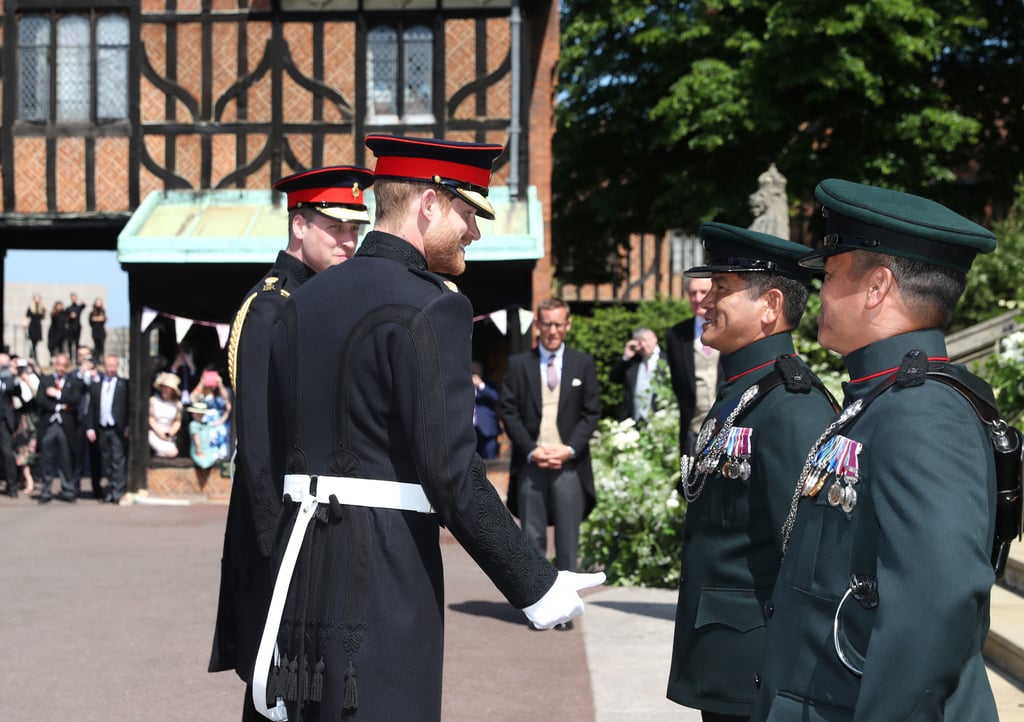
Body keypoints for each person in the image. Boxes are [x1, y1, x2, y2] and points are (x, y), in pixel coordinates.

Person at [253, 135, 603, 721]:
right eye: (468, 212)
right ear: (430, 204)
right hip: (381, 575)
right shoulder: (435, 305)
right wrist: (536, 584)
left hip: (298, 567)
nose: (475, 232)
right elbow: (452, 472)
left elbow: (263, 456)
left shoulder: (299, 302)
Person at [750, 180, 1001, 720]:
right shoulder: (877, 400)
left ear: (877, 286)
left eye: (831, 275)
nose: (818, 293)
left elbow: (937, 604)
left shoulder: (922, 413)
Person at [209, 164, 375, 692]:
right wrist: (274, 549)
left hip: (310, 518)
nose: (349, 240)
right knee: (276, 681)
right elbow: (259, 447)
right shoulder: (271, 308)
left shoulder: (318, 299)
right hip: (278, 521)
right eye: (336, 227)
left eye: (355, 229)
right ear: (299, 225)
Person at [665, 223, 838, 721]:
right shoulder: (743, 392)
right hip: (727, 660)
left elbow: (806, 555)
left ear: (771, 307)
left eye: (722, 289)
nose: (705, 301)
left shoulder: (791, 405)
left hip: (760, 671)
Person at [500, 297, 602, 599]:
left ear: (567, 325)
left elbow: (591, 413)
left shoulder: (583, 363)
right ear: (538, 326)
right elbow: (509, 411)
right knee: (532, 539)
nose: (552, 331)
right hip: (532, 463)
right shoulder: (519, 365)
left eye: (558, 324)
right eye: (547, 324)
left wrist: (569, 449)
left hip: (568, 465)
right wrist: (532, 449)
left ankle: (566, 604)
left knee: (568, 540)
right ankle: (539, 602)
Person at [666, 277, 722, 453]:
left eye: (703, 292)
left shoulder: (729, 329)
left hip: (727, 427)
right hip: (693, 429)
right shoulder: (676, 335)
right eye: (693, 293)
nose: (698, 298)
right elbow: (677, 381)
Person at [35, 352, 83, 503]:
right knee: (47, 458)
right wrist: (60, 406)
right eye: (59, 365)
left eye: (64, 365)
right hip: (49, 423)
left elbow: (75, 400)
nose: (61, 368)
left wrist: (57, 394)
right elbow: (41, 400)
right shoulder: (46, 380)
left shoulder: (73, 381)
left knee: (66, 458)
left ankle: (67, 489)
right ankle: (46, 489)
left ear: (67, 366)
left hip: (66, 426)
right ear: (55, 365)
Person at [85, 354, 129, 504]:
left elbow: (129, 407)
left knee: (118, 459)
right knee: (106, 461)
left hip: (117, 427)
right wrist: (90, 427)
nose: (111, 369)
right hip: (102, 427)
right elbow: (92, 407)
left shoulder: (124, 384)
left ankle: (118, 491)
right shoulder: (97, 384)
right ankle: (109, 491)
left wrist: (127, 426)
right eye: (108, 366)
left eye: (113, 366)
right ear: (104, 366)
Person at [609, 326, 667, 422]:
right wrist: (626, 357)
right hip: (634, 420)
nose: (643, 345)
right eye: (639, 342)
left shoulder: (668, 360)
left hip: (660, 420)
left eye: (644, 340)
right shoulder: (633, 362)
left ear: (654, 338)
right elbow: (614, 378)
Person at [190, 368, 232, 461]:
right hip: (206, 424)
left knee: (224, 447)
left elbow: (227, 399)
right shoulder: (201, 392)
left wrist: (220, 385)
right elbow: (192, 398)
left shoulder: (224, 390)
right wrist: (202, 383)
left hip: (222, 422)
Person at [12, 357, 40, 494]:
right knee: (19, 450)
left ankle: (29, 479)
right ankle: (23, 479)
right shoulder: (13, 380)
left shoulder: (33, 378)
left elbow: (37, 396)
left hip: (30, 419)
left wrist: (28, 381)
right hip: (17, 419)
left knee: (28, 451)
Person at [0, 352, 22, 497]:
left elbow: (17, 391)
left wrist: (15, 377)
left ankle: (12, 485)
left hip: (4, 421)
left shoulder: (10, 378)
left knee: (7, 453)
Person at [148, 372, 183, 459]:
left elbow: (177, 421)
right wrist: (159, 432)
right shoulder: (153, 400)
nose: (164, 390)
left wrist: (171, 432)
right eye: (163, 387)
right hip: (154, 433)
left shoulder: (178, 404)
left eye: (167, 388)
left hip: (169, 436)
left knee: (172, 452)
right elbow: (151, 418)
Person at [472, 361, 502, 459]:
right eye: (472, 370)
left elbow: (495, 398)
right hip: (470, 432)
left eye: (476, 370)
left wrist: (481, 385)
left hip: (488, 431)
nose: (474, 372)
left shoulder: (488, 385)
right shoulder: (463, 388)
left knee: (491, 461)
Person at [187, 400, 218, 469]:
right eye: (197, 413)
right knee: (204, 463)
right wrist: (199, 451)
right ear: (193, 414)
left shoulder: (206, 424)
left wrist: (227, 412)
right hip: (198, 451)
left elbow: (218, 422)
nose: (199, 415)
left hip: (206, 450)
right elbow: (196, 438)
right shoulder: (193, 424)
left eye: (201, 413)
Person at [25, 294, 45, 361]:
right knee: (32, 343)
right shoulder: (30, 307)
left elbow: (42, 318)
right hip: (32, 327)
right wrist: (25, 324)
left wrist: (44, 312)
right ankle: (32, 358)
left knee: (35, 344)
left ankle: (33, 357)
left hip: (38, 327)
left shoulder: (41, 308)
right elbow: (27, 317)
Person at [65, 292, 86, 359]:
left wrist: (83, 303)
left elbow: (83, 306)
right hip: (70, 328)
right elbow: (65, 318)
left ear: (76, 298)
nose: (73, 299)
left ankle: (77, 358)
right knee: (70, 343)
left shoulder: (78, 307)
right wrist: (70, 316)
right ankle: (71, 358)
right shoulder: (68, 308)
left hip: (77, 327)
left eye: (75, 298)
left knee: (77, 343)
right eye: (72, 298)